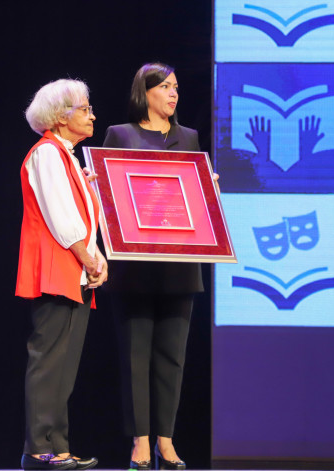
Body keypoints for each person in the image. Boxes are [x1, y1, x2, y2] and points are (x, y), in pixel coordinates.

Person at [103, 63, 205, 471]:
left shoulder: (189, 138)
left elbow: (193, 200)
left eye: (176, 87)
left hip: (179, 264)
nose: (173, 93)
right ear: (144, 93)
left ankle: (166, 440)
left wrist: (206, 191)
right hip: (135, 266)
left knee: (172, 358)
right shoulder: (120, 135)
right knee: (135, 356)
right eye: (164, 86)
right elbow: (109, 198)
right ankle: (140, 442)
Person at [16, 78, 108, 471]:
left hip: (75, 270)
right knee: (48, 361)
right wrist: (88, 258)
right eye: (84, 109)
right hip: (56, 268)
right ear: (60, 115)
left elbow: (85, 219)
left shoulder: (69, 157)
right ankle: (38, 449)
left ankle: (59, 446)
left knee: (65, 366)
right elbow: (60, 216)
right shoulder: (48, 154)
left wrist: (97, 258)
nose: (92, 116)